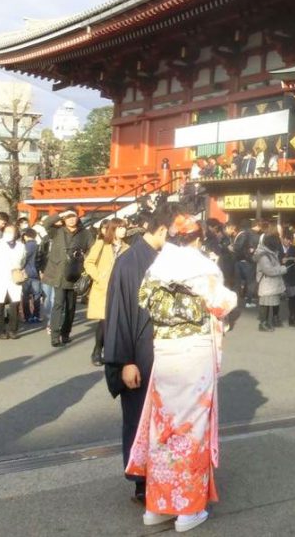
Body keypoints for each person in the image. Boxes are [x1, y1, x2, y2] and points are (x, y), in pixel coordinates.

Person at [127, 214, 236, 532]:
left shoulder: (158, 264)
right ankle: (187, 509)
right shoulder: (201, 264)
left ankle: (156, 507)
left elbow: (144, 300)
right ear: (197, 237)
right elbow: (221, 302)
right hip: (195, 350)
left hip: (164, 351)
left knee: (163, 428)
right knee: (191, 430)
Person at [103, 207, 172, 505]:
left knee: (163, 418)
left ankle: (163, 476)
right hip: (138, 352)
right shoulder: (128, 262)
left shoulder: (165, 258)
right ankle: (142, 481)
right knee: (138, 418)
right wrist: (124, 361)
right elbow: (117, 314)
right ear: (163, 230)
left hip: (165, 351)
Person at [84, 218, 129, 367]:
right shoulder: (102, 244)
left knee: (116, 321)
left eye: (124, 228)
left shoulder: (127, 247)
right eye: (120, 228)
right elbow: (89, 262)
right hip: (103, 287)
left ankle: (112, 352)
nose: (124, 230)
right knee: (104, 321)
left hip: (120, 287)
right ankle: (97, 350)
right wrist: (98, 277)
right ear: (113, 229)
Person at [43, 210, 90, 347]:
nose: (71, 220)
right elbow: (47, 223)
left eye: (73, 217)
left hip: (75, 273)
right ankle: (55, 335)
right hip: (59, 272)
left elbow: (91, 249)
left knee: (71, 306)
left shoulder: (85, 233)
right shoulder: (57, 231)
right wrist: (62, 213)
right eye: (68, 217)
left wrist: (83, 258)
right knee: (58, 304)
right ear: (64, 219)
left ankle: (66, 333)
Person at [0, 225, 26, 340]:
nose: (8, 234)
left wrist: (19, 269)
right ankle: (1, 330)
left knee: (15, 304)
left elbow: (23, 260)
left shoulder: (21, 246)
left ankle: (13, 330)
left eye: (11, 232)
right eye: (6, 231)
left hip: (14, 277)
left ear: (16, 233)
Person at [254, 233, 287, 332]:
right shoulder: (263, 255)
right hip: (266, 282)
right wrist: (282, 269)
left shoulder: (270, 252)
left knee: (272, 301)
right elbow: (269, 270)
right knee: (265, 302)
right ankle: (263, 323)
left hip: (271, 283)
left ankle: (270, 321)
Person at [19, 228, 42, 326]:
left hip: (27, 273)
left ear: (25, 236)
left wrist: (20, 268)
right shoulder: (38, 246)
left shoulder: (26, 246)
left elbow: (23, 259)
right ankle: (36, 315)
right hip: (36, 273)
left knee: (25, 295)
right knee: (36, 295)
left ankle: (27, 316)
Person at [281, 233, 295, 327]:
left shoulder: (293, 248)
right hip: (279, 275)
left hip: (291, 276)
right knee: (274, 299)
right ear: (282, 239)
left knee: (293, 298)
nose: (288, 241)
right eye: (286, 239)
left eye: (290, 240)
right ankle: (274, 318)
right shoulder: (278, 248)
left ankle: (292, 318)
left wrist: (290, 258)